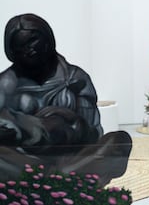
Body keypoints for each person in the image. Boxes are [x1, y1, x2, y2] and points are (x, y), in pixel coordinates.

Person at [0, 13, 132, 187]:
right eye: (20, 46)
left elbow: (92, 132)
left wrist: (63, 125)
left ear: (47, 39)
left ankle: (54, 177)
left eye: (33, 41)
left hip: (72, 157)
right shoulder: (4, 85)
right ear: (11, 51)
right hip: (22, 161)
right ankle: (59, 179)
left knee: (118, 142)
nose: (28, 50)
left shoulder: (75, 79)